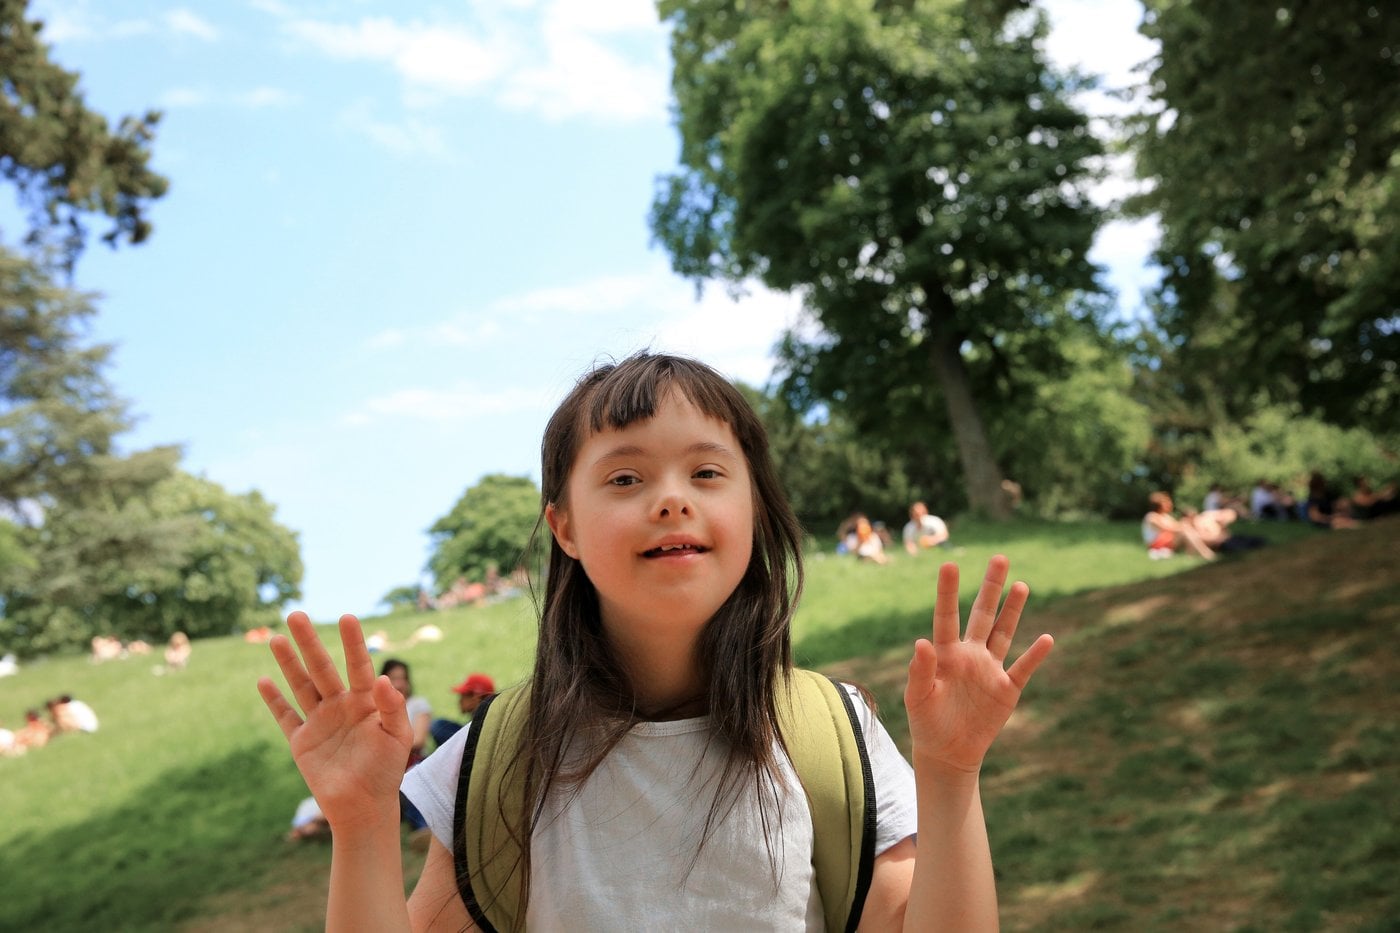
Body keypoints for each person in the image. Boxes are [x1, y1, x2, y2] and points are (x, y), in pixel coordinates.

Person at [257, 352, 1054, 931]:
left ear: (756, 509)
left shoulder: (834, 735)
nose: (671, 500)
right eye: (626, 478)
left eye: (707, 473)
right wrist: (361, 825)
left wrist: (950, 775)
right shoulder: (498, 756)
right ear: (562, 526)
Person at [1141, 491, 1217, 560]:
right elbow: (1169, 529)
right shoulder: (1152, 517)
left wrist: (1185, 524)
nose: (1170, 503)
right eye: (1166, 502)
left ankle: (1193, 555)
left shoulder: (1166, 516)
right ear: (1159, 504)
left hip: (1168, 542)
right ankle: (1205, 554)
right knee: (1185, 532)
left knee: (1188, 531)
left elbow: (1177, 526)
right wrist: (1184, 525)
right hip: (1158, 545)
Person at [429, 672, 495, 750]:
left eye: (464, 695)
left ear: (476, 697)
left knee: (439, 725)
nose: (460, 700)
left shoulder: (486, 725)